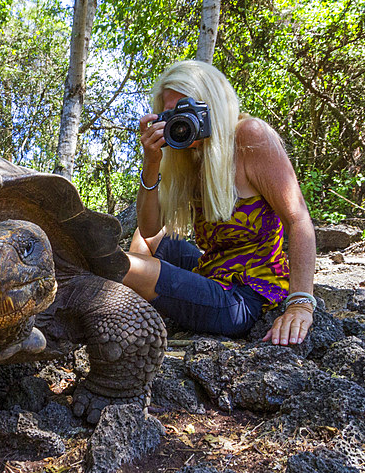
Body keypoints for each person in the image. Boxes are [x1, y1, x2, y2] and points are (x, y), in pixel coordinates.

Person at [121, 60, 317, 346]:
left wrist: (301, 303)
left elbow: (298, 220)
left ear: (210, 103)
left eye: (186, 109)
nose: (180, 121)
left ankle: (147, 293)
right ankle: (148, 298)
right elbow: (150, 229)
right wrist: (152, 162)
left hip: (242, 298)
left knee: (118, 265)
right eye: (171, 113)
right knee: (144, 241)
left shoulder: (250, 136)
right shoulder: (189, 157)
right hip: (210, 268)